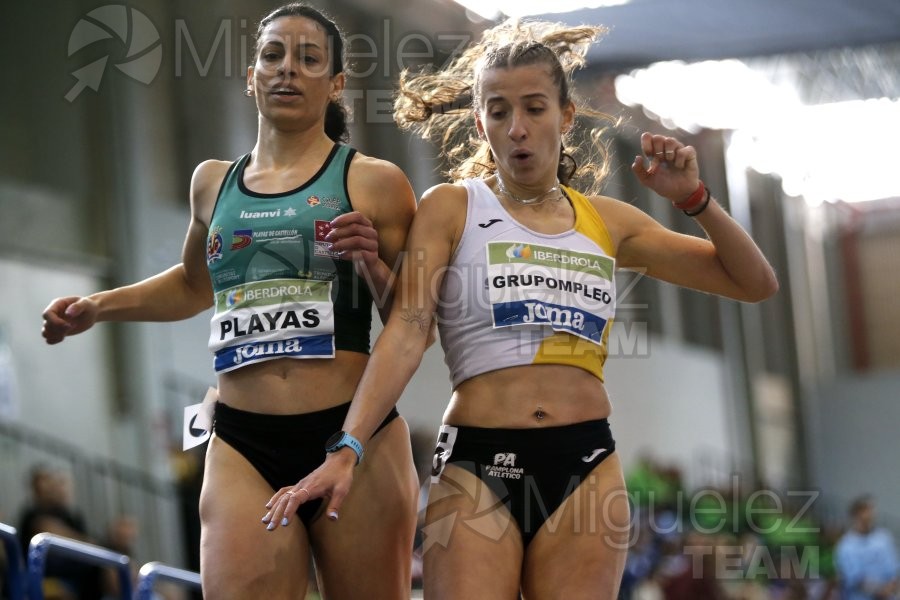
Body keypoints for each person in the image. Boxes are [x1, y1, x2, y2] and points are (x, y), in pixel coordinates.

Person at [260, 18, 778, 599]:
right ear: (481, 122)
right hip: (477, 465)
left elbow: (753, 282)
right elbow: (407, 330)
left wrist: (694, 198)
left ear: (566, 117)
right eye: (499, 112)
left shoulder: (608, 221)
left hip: (585, 465)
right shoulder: (452, 207)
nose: (518, 129)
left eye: (534, 108)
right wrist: (347, 446)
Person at [41, 3, 420, 597]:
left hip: (353, 435)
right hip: (243, 442)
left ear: (336, 83)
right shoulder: (212, 182)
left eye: (308, 58)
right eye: (272, 56)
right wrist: (99, 306)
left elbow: (414, 318)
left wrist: (371, 263)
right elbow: (194, 285)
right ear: (250, 76)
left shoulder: (374, 181)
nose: (287, 70)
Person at [835, 495, 900, 600]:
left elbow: (893, 570)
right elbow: (854, 579)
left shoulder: (884, 538)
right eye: (866, 510)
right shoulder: (846, 545)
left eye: (871, 510)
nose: (870, 514)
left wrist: (892, 587)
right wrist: (880, 590)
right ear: (856, 514)